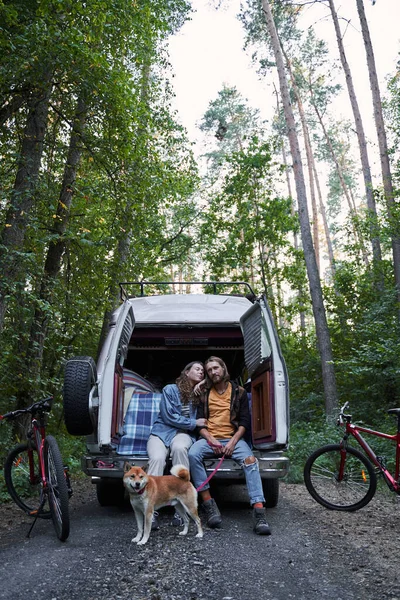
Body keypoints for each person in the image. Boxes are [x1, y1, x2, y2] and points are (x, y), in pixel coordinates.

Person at [188, 356, 271, 535]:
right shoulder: (204, 393)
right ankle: (209, 504)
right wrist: (211, 440)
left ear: (223, 368)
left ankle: (259, 512)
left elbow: (244, 422)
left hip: (233, 439)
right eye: (209, 370)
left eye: (216, 368)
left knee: (250, 461)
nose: (213, 372)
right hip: (210, 439)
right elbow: (200, 425)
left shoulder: (238, 392)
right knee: (193, 453)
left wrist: (233, 442)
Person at [147, 361, 206, 529]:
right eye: (197, 369)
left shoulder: (200, 393)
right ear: (186, 372)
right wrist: (194, 422)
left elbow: (222, 380)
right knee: (157, 458)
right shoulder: (170, 389)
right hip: (161, 431)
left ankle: (182, 509)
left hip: (183, 434)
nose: (201, 372)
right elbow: (168, 417)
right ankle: (150, 511)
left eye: (203, 371)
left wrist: (204, 384)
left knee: (180, 449)